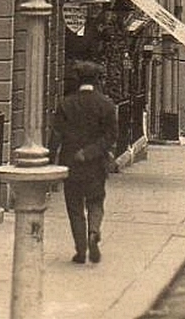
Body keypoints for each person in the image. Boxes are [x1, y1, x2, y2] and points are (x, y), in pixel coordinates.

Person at [50, 61, 118, 265]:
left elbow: (56, 135)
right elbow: (111, 137)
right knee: (96, 201)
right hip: (95, 165)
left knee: (74, 207)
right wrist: (90, 152)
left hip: (71, 164)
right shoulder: (106, 105)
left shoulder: (66, 104)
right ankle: (94, 231)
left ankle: (80, 250)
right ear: (96, 80)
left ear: (78, 79)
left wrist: (50, 161)